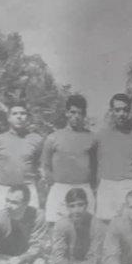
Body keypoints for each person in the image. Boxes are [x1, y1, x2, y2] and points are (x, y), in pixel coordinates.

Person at [42, 95, 97, 223]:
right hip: (60, 189)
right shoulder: (53, 138)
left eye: (80, 113)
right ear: (67, 113)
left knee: (85, 229)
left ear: (84, 115)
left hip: (84, 188)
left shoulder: (92, 138)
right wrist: (54, 184)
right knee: (56, 227)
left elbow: (95, 165)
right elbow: (45, 165)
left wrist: (92, 186)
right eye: (73, 112)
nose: (76, 116)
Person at [95, 93, 132, 222]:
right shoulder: (100, 135)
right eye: (117, 110)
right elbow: (94, 162)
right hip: (107, 184)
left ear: (130, 111)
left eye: (125, 110)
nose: (121, 113)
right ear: (111, 111)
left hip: (130, 184)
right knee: (106, 224)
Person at [0, 101, 43, 218]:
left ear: (27, 117)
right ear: (8, 118)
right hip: (2, 190)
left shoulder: (37, 140)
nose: (19, 116)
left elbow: (39, 164)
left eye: (23, 113)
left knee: (29, 227)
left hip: (28, 190)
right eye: (15, 113)